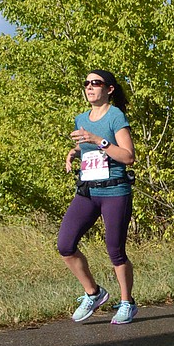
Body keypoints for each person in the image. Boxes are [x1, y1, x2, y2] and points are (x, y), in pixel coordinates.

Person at [57, 70, 138, 324]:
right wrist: (75, 151)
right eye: (87, 83)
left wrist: (97, 139)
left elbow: (127, 156)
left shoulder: (116, 116)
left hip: (115, 191)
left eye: (96, 83)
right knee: (65, 245)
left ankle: (127, 303)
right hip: (88, 191)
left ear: (109, 89)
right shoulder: (81, 118)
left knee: (115, 250)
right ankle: (93, 293)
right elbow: (87, 147)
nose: (89, 87)